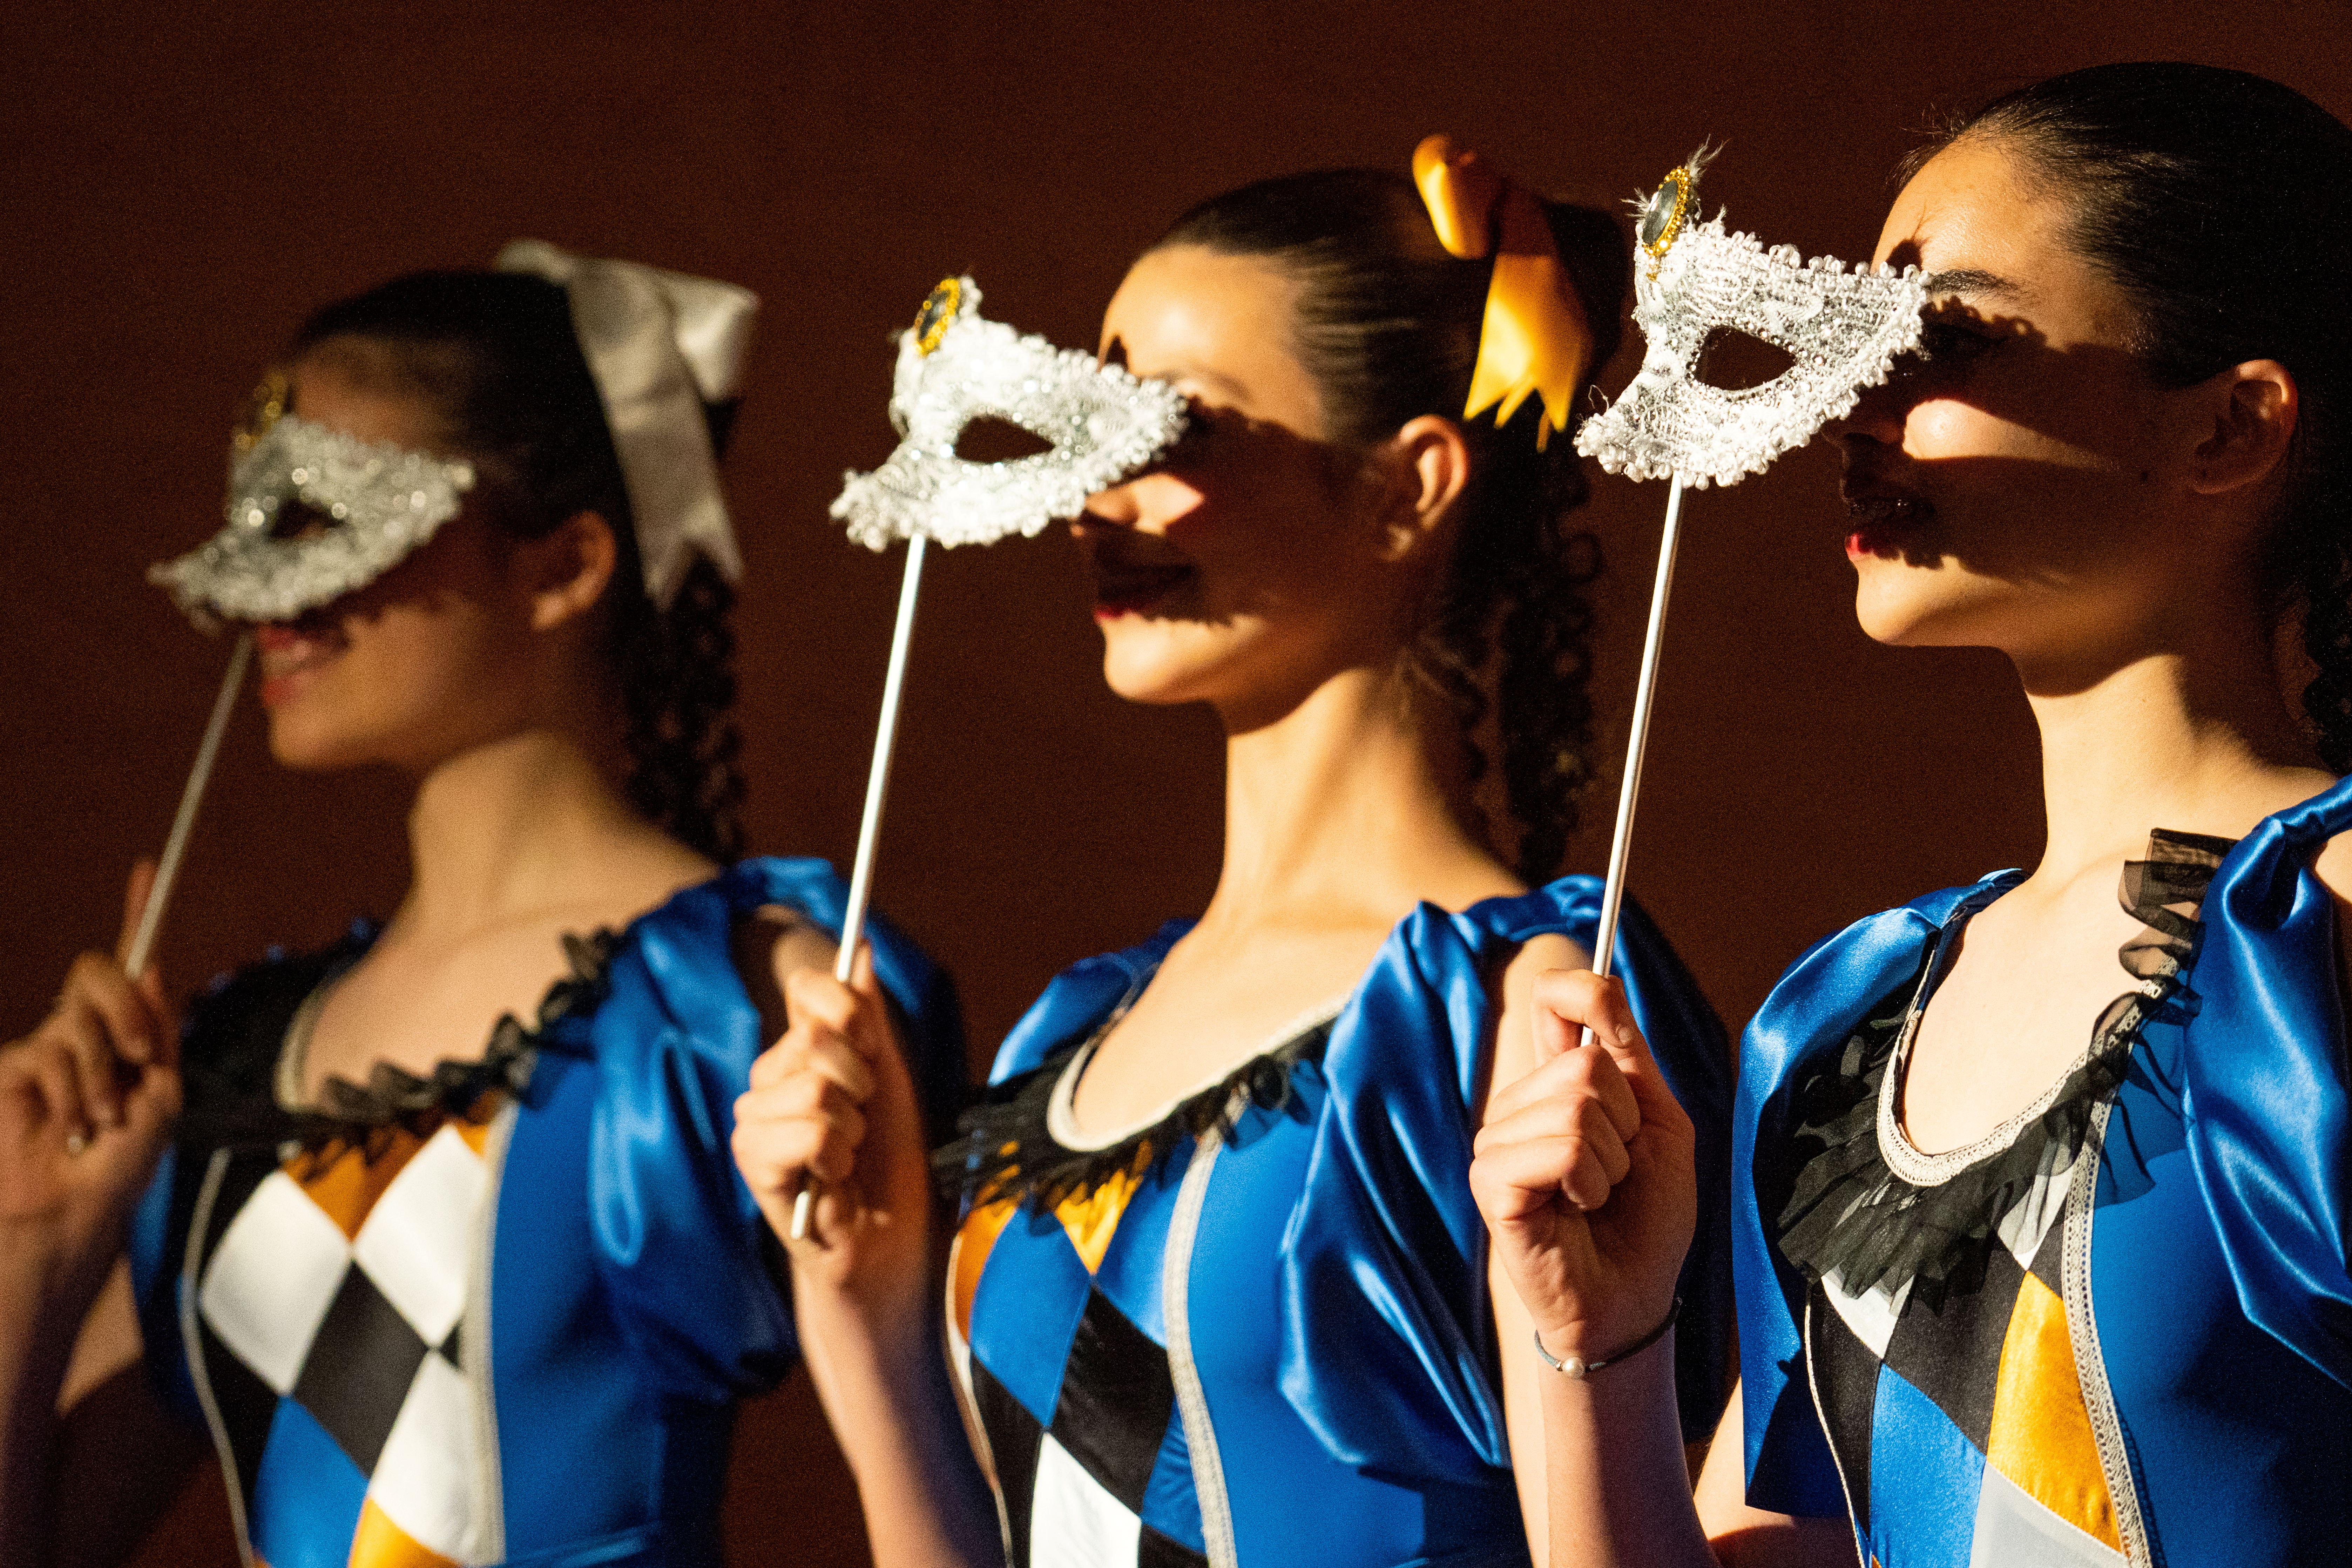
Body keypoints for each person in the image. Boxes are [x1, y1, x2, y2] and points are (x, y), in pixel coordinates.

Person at [730, 142, 1736, 1567]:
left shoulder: (1524, 1009)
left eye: (1170, 429)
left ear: (1407, 489)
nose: (1092, 501)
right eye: (1084, 431)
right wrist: (857, 1302)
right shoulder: (1070, 1033)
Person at [1472, 61, 2352, 1568]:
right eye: (1845, 340)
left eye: (1933, 340)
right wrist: (1591, 1343)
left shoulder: (2324, 929)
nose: (1846, 405)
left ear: (2231, 426)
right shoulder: (1839, 1020)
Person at [0, 253, 964, 1568]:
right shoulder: (230, 1067)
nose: (264, 590)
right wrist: (33, 1253)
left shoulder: (740, 1004)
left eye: (328, 516)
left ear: (564, 565)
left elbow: (969, 1487)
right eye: (254, 519)